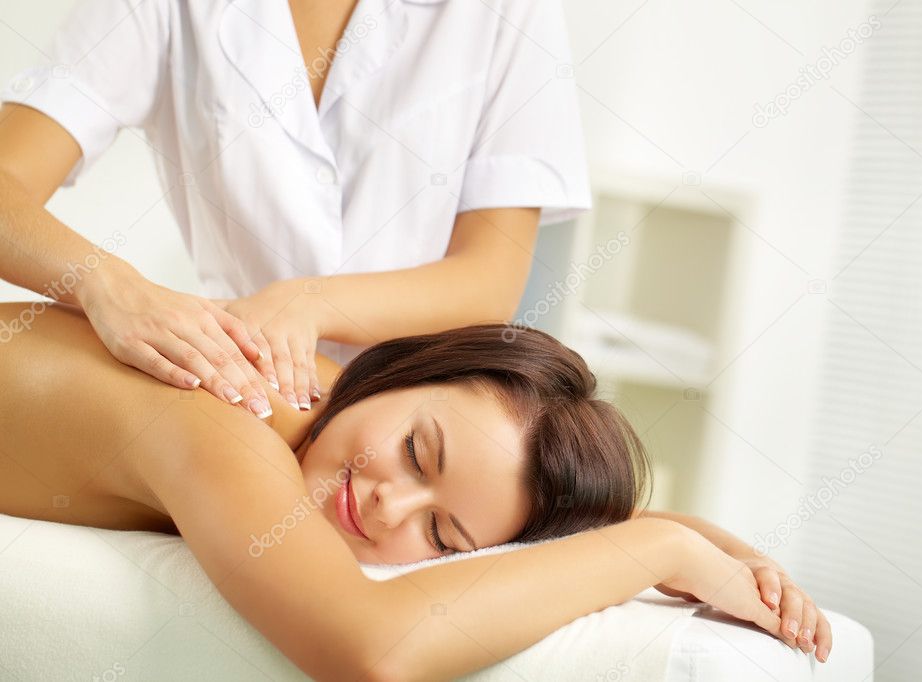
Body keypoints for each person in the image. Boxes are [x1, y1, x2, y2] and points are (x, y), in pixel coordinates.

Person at [0, 300, 831, 679]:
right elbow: (375, 652)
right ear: (396, 369)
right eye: (414, 451)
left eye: (441, 539)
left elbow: (501, 507)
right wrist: (657, 547)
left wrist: (694, 537)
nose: (386, 503)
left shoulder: (319, 406)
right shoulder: (223, 423)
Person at [0, 0, 591, 420]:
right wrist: (110, 286)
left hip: (422, 408)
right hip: (246, 381)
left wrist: (307, 303)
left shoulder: (511, 10)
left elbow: (488, 280)